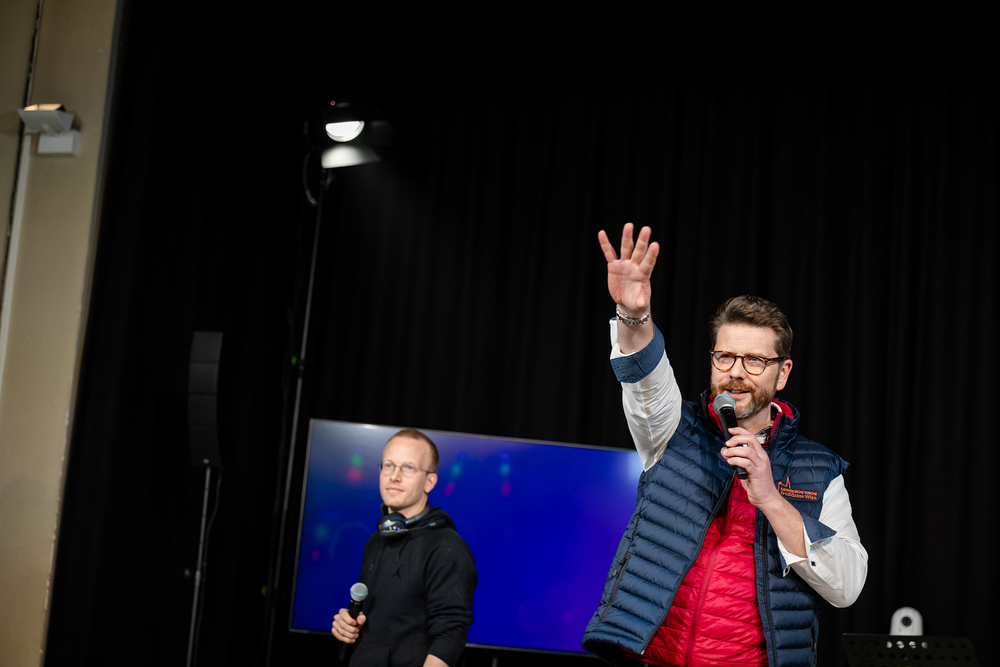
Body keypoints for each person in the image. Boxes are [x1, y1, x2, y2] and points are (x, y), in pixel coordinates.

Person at [582, 224, 868, 667]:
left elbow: (847, 586)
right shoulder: (673, 429)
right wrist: (633, 315)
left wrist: (771, 499)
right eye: (726, 357)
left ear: (782, 372)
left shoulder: (818, 468)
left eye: (755, 360)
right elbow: (644, 377)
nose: (736, 371)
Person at [331, 428, 477, 667]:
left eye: (408, 467)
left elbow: (450, 637)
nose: (394, 476)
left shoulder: (446, 547)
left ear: (429, 481)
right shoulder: (375, 542)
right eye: (388, 465)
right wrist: (347, 625)